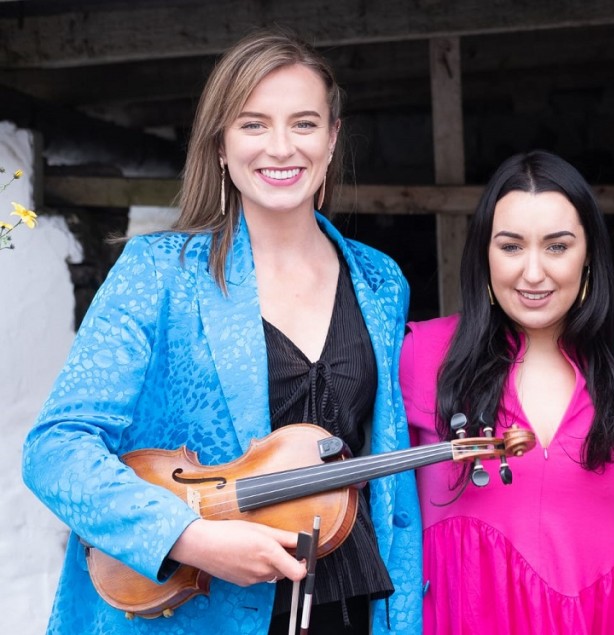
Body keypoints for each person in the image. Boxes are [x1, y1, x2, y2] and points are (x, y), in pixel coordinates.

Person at [22, 30, 421, 634]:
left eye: (304, 124)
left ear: (333, 139)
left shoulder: (380, 280)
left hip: (349, 607)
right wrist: (190, 538)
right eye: (253, 124)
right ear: (219, 145)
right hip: (201, 609)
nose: (281, 148)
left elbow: (387, 473)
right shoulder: (158, 272)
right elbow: (55, 448)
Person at [399, 150, 614, 634]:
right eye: (511, 247)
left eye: (557, 247)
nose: (533, 273)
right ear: (484, 254)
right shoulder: (418, 355)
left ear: (589, 254)